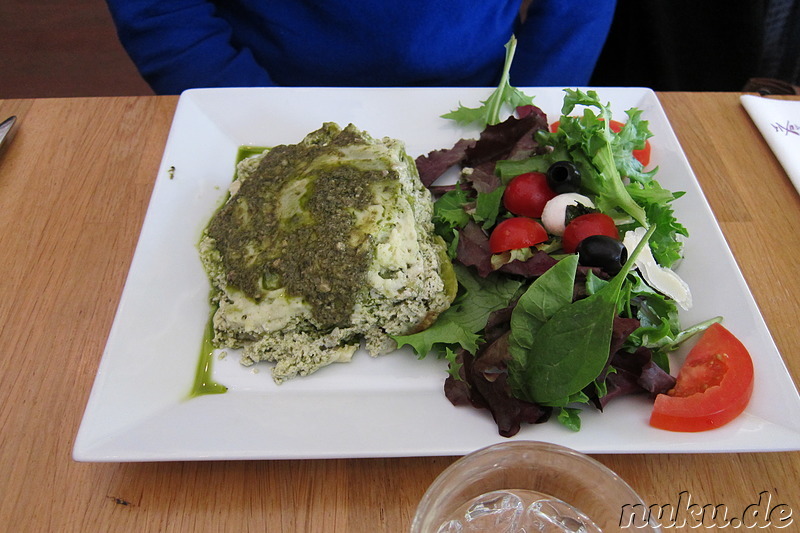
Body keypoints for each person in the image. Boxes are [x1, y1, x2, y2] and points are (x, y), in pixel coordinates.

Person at [105, 0, 617, 95]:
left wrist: (527, 103)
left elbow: (577, 6)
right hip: (263, 89)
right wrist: (246, 109)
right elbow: (159, 9)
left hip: (483, 96)